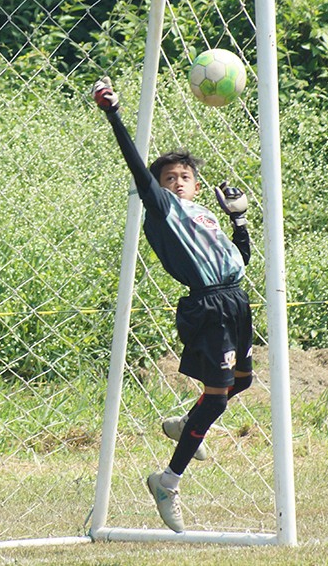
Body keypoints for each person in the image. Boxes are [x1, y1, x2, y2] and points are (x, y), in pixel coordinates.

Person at [93, 76, 253, 533]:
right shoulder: (163, 209)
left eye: (185, 177)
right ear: (160, 187)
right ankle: (168, 481)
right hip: (206, 307)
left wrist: (238, 221)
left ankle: (187, 423)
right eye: (169, 178)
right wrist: (114, 114)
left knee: (241, 382)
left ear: (197, 186)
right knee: (219, 397)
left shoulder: (205, 213)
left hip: (234, 301)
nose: (177, 182)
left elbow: (238, 261)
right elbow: (137, 169)